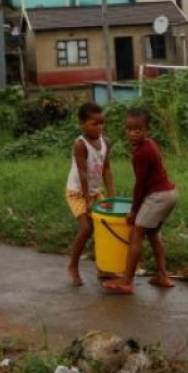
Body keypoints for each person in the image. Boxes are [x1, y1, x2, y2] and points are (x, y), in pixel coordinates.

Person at [103, 107, 178, 294]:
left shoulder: (141, 153)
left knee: (136, 234)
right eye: (129, 129)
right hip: (170, 194)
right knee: (152, 235)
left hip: (158, 196)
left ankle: (127, 280)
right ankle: (162, 276)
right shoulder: (150, 144)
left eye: (138, 129)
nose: (132, 133)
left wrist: (134, 211)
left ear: (147, 130)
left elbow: (141, 185)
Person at [65, 102, 114, 286]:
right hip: (77, 192)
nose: (100, 127)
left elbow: (107, 170)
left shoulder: (106, 142)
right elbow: (83, 173)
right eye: (95, 123)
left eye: (102, 123)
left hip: (95, 192)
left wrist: (111, 197)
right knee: (86, 229)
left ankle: (103, 267)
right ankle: (72, 266)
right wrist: (86, 203)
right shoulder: (80, 144)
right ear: (82, 124)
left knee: (105, 227)